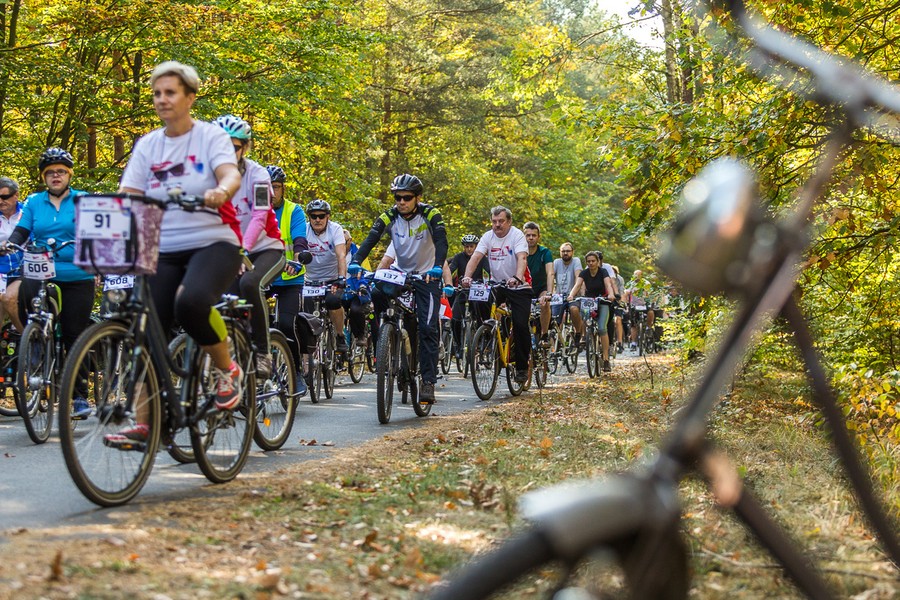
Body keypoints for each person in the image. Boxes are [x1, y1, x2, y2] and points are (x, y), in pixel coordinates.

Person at [107, 61, 244, 445]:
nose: (162, 99)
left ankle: (226, 369)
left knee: (192, 303)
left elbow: (229, 173)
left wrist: (222, 190)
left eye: (170, 92)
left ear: (189, 97)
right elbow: (130, 194)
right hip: (162, 246)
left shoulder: (210, 137)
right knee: (148, 327)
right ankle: (147, 423)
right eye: (156, 93)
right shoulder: (148, 144)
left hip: (213, 240)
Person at [2, 149, 97, 419]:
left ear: (69, 174)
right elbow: (22, 230)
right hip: (41, 269)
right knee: (23, 299)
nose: (56, 176)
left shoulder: (83, 200)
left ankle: (79, 397)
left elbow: (96, 233)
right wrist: (11, 244)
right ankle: (35, 340)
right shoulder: (34, 202)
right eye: (50, 172)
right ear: (44, 177)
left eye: (61, 171)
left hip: (77, 273)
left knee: (73, 334)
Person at [349, 173, 448, 404]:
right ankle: (387, 336)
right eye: (397, 197)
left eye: (407, 197)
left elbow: (442, 242)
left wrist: (436, 268)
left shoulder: (431, 214)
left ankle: (427, 381)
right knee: (375, 292)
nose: (401, 202)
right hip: (400, 273)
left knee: (427, 328)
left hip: (426, 276)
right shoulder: (390, 216)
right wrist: (356, 260)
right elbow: (371, 238)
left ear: (417, 198)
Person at [213, 115, 286, 378]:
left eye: (232, 146)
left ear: (245, 147)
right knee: (216, 301)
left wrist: (241, 248)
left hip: (266, 248)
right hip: (230, 250)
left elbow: (259, 215)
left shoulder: (258, 174)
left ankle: (263, 351)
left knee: (249, 284)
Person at [461, 206, 531, 384]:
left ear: (509, 222)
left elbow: (522, 258)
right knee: (478, 296)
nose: (497, 225)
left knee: (521, 325)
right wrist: (467, 277)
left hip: (518, 285)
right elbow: (475, 258)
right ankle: (487, 332)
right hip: (497, 284)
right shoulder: (487, 236)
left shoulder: (517, 236)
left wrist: (517, 277)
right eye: (494, 221)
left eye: (501, 221)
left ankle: (522, 367)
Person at [265, 165, 310, 395]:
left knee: (285, 324)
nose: (272, 192)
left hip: (289, 278)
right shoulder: (255, 209)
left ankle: (295, 372)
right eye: (268, 187)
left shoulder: (294, 211)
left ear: (283, 189)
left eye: (276, 187)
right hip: (263, 277)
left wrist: (300, 258)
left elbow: (300, 238)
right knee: (254, 325)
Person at [302, 199, 348, 355]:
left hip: (332, 278)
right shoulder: (304, 230)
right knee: (305, 311)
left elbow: (341, 255)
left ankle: (340, 335)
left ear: (328, 216)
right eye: (313, 216)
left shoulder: (335, 230)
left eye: (321, 216)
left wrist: (342, 278)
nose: (317, 219)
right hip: (310, 280)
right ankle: (309, 352)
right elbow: (297, 253)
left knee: (333, 301)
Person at [567, 250, 617, 372]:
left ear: (598, 261)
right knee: (585, 318)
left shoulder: (603, 272)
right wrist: (571, 295)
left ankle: (606, 359)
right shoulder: (584, 273)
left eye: (593, 261)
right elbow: (578, 285)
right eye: (588, 261)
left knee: (601, 328)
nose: (591, 263)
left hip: (603, 300)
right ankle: (586, 336)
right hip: (589, 300)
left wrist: (611, 294)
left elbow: (608, 284)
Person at [447, 234, 489, 359]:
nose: (469, 249)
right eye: (467, 247)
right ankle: (458, 345)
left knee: (482, 314)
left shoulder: (482, 258)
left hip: (478, 290)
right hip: (463, 290)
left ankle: (482, 338)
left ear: (476, 247)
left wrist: (487, 282)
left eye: (471, 246)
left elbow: (488, 272)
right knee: (455, 318)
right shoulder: (458, 257)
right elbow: (451, 269)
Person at [523, 222, 554, 347]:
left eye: (533, 235)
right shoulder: (519, 252)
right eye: (528, 235)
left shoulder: (544, 252)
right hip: (525, 288)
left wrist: (549, 293)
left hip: (541, 287)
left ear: (538, 237)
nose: (531, 238)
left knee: (544, 302)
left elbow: (550, 273)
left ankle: (544, 335)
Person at [0, 177, 24, 333]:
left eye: (4, 197)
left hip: (25, 268)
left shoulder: (27, 213)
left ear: (16, 195)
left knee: (8, 299)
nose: (0, 201)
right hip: (1, 269)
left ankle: (30, 339)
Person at [611, 265, 626, 352]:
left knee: (618, 320)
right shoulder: (605, 277)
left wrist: (621, 303)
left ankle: (619, 342)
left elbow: (622, 292)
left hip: (617, 300)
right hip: (607, 299)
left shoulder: (619, 279)